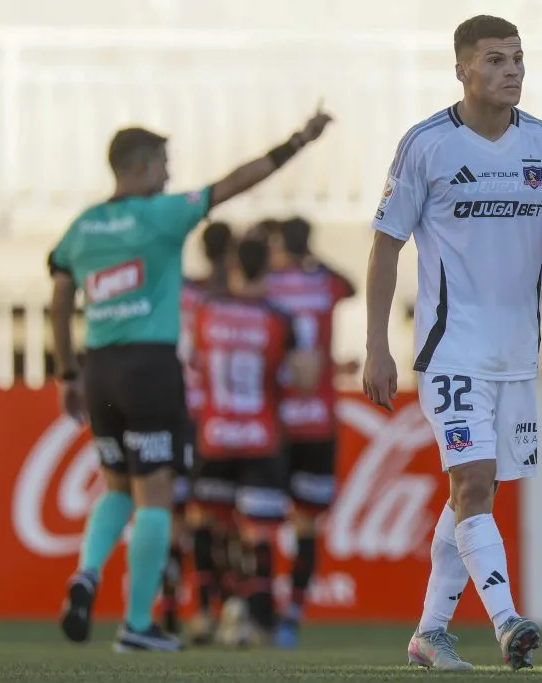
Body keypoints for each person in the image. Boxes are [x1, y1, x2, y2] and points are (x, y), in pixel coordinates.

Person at [362, 15, 542, 672]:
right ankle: (507, 621)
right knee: (472, 482)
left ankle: (429, 632)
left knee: (476, 494)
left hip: (514, 356)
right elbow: (385, 246)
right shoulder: (427, 145)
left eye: (519, 59)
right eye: (496, 60)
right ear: (463, 71)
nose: (512, 71)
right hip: (450, 350)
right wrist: (376, 345)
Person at [50, 105, 331, 652]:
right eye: (164, 163)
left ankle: (86, 573)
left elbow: (61, 295)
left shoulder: (81, 227)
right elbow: (235, 182)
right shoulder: (162, 213)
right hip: (149, 369)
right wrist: (296, 142)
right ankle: (136, 624)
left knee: (116, 486)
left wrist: (66, 372)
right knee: (154, 495)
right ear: (142, 167)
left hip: (99, 369)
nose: (170, 174)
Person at [189, 236, 318, 647]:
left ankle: (212, 610)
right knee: (258, 533)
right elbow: (304, 377)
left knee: (208, 522)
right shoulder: (279, 318)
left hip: (215, 434)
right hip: (261, 434)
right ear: (268, 266)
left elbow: (194, 363)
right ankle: (262, 621)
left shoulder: (207, 310)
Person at [263, 216, 356, 649]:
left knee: (256, 524)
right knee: (306, 525)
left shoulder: (269, 285)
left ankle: (255, 613)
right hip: (317, 420)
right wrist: (311, 259)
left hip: (275, 421)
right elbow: (350, 284)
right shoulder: (324, 284)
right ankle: (292, 617)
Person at [159, 220, 235, 636]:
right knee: (212, 519)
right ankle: (211, 608)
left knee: (173, 515)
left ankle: (170, 606)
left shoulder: (182, 292)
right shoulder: (230, 299)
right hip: (216, 418)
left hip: (175, 411)